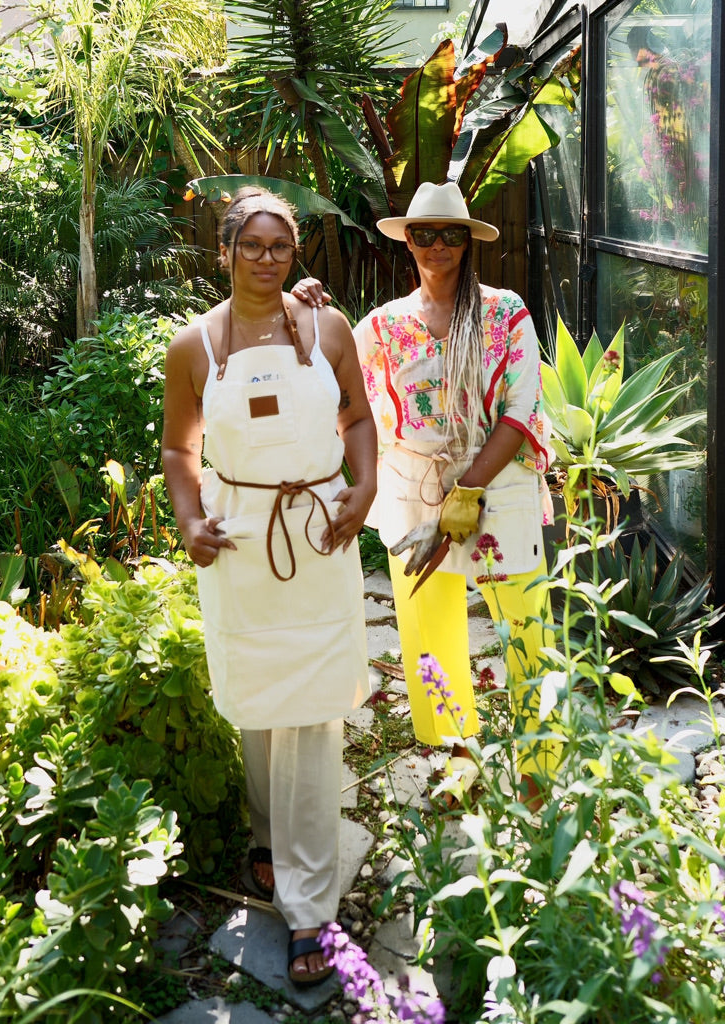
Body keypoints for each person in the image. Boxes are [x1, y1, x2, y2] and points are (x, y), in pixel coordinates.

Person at [161, 186, 377, 986]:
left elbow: (356, 416)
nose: (264, 258)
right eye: (249, 245)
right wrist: (189, 521)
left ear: (295, 252)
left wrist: (364, 484)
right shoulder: (195, 346)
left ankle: (310, 908)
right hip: (243, 544)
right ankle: (265, 838)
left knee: (316, 716)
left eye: (278, 246)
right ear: (224, 252)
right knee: (257, 702)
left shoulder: (327, 328)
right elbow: (181, 452)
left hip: (318, 534)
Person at [293, 181, 557, 807]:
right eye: (426, 234)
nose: (438, 245)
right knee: (428, 630)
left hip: (499, 481)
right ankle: (455, 759)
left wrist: (464, 496)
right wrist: (302, 308)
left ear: (467, 242)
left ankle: (539, 767)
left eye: (451, 234)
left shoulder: (505, 313)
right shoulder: (382, 327)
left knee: (526, 627)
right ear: (408, 240)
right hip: (412, 490)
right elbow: (330, 380)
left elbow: (520, 411)